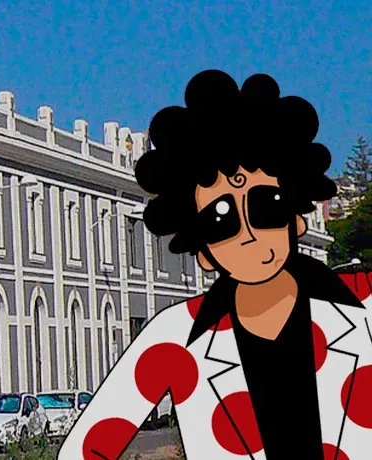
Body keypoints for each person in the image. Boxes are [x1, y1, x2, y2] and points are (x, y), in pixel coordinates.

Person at [57, 69, 371, 459]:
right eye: (221, 221)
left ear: (295, 219)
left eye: (266, 206)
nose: (249, 232)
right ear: (203, 251)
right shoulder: (174, 339)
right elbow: (84, 449)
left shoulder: (365, 307)